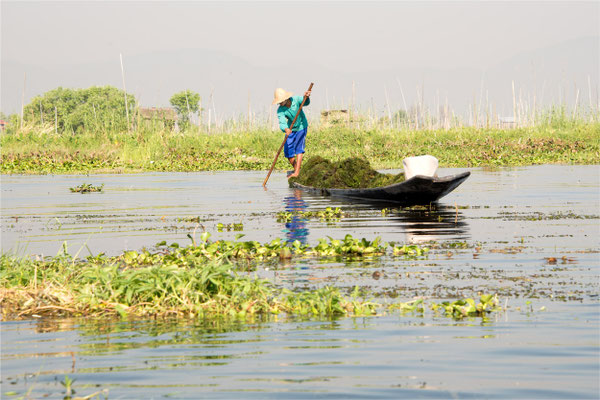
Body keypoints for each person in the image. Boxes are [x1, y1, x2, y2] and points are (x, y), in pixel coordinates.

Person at [272, 87, 311, 178]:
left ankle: (297, 172)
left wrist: (307, 97)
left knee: (298, 149)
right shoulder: (280, 110)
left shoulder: (296, 99)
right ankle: (298, 169)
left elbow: (306, 102)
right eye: (279, 102)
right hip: (290, 129)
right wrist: (286, 129)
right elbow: (282, 122)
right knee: (288, 152)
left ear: (286, 98)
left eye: (281, 101)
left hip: (301, 127)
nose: (280, 103)